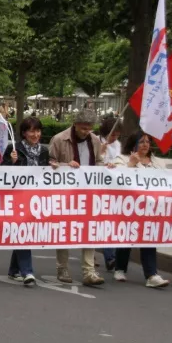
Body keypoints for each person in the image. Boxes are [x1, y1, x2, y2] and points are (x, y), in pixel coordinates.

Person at [48, 109, 105, 286]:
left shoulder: (95, 141)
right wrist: (65, 165)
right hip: (65, 194)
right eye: (83, 128)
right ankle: (62, 267)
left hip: (88, 193)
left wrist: (106, 167)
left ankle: (89, 271)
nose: (86, 131)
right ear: (75, 124)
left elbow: (98, 161)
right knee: (64, 229)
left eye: (89, 128)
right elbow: (49, 163)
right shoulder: (59, 139)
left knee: (89, 230)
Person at [110, 133, 170, 288]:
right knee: (127, 237)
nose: (145, 144)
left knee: (149, 237)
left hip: (150, 208)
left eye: (147, 142)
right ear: (133, 144)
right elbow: (117, 179)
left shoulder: (158, 162)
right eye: (141, 141)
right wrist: (130, 164)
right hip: (130, 206)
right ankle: (120, 268)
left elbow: (167, 181)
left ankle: (151, 275)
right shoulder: (122, 160)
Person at [1, 117, 51, 285]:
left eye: (37, 131)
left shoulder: (44, 151)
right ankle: (27, 272)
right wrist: (12, 162)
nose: (35, 134)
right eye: (31, 131)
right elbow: (1, 173)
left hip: (36, 197)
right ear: (24, 133)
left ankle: (14, 269)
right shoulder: (14, 148)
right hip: (18, 196)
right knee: (23, 230)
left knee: (24, 230)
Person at [98, 116, 122, 271]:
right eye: (113, 135)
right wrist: (101, 155)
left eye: (117, 135)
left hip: (113, 188)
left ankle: (111, 257)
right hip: (99, 188)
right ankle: (110, 256)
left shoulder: (117, 145)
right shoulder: (97, 143)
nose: (115, 138)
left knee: (110, 223)